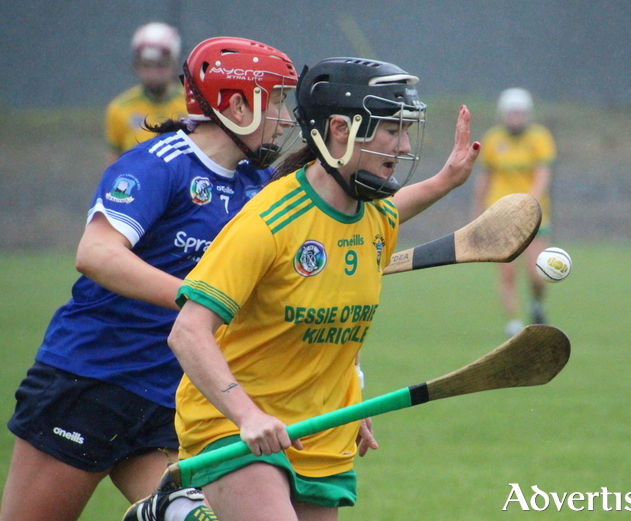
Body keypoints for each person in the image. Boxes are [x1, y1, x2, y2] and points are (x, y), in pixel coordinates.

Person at [124, 57, 481, 521]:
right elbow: (187, 331)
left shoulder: (376, 219)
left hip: (320, 430)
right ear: (339, 129)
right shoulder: (268, 221)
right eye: (391, 130)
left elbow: (340, 309)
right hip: (234, 425)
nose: (403, 145)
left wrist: (446, 180)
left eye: (405, 130)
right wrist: (247, 415)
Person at [0, 36, 300, 521]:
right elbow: (96, 254)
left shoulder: (256, 186)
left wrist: (440, 184)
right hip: (91, 380)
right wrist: (197, 299)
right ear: (237, 104)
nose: (285, 117)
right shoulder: (161, 163)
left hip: (170, 394)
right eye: (277, 100)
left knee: (189, 517)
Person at [472, 87, 557, 337]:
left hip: (534, 217)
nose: (516, 118)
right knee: (507, 273)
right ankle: (513, 324)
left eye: (520, 113)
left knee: (538, 275)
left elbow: (542, 177)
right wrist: (478, 212)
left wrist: (527, 204)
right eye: (511, 113)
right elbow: (484, 178)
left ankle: (537, 304)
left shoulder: (540, 138)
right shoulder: (493, 140)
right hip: (501, 217)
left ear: (528, 114)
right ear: (503, 114)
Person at [105, 22, 188, 165]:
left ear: (174, 64)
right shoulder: (119, 108)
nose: (153, 74)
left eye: (161, 65)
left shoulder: (192, 105)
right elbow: (114, 165)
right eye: (146, 65)